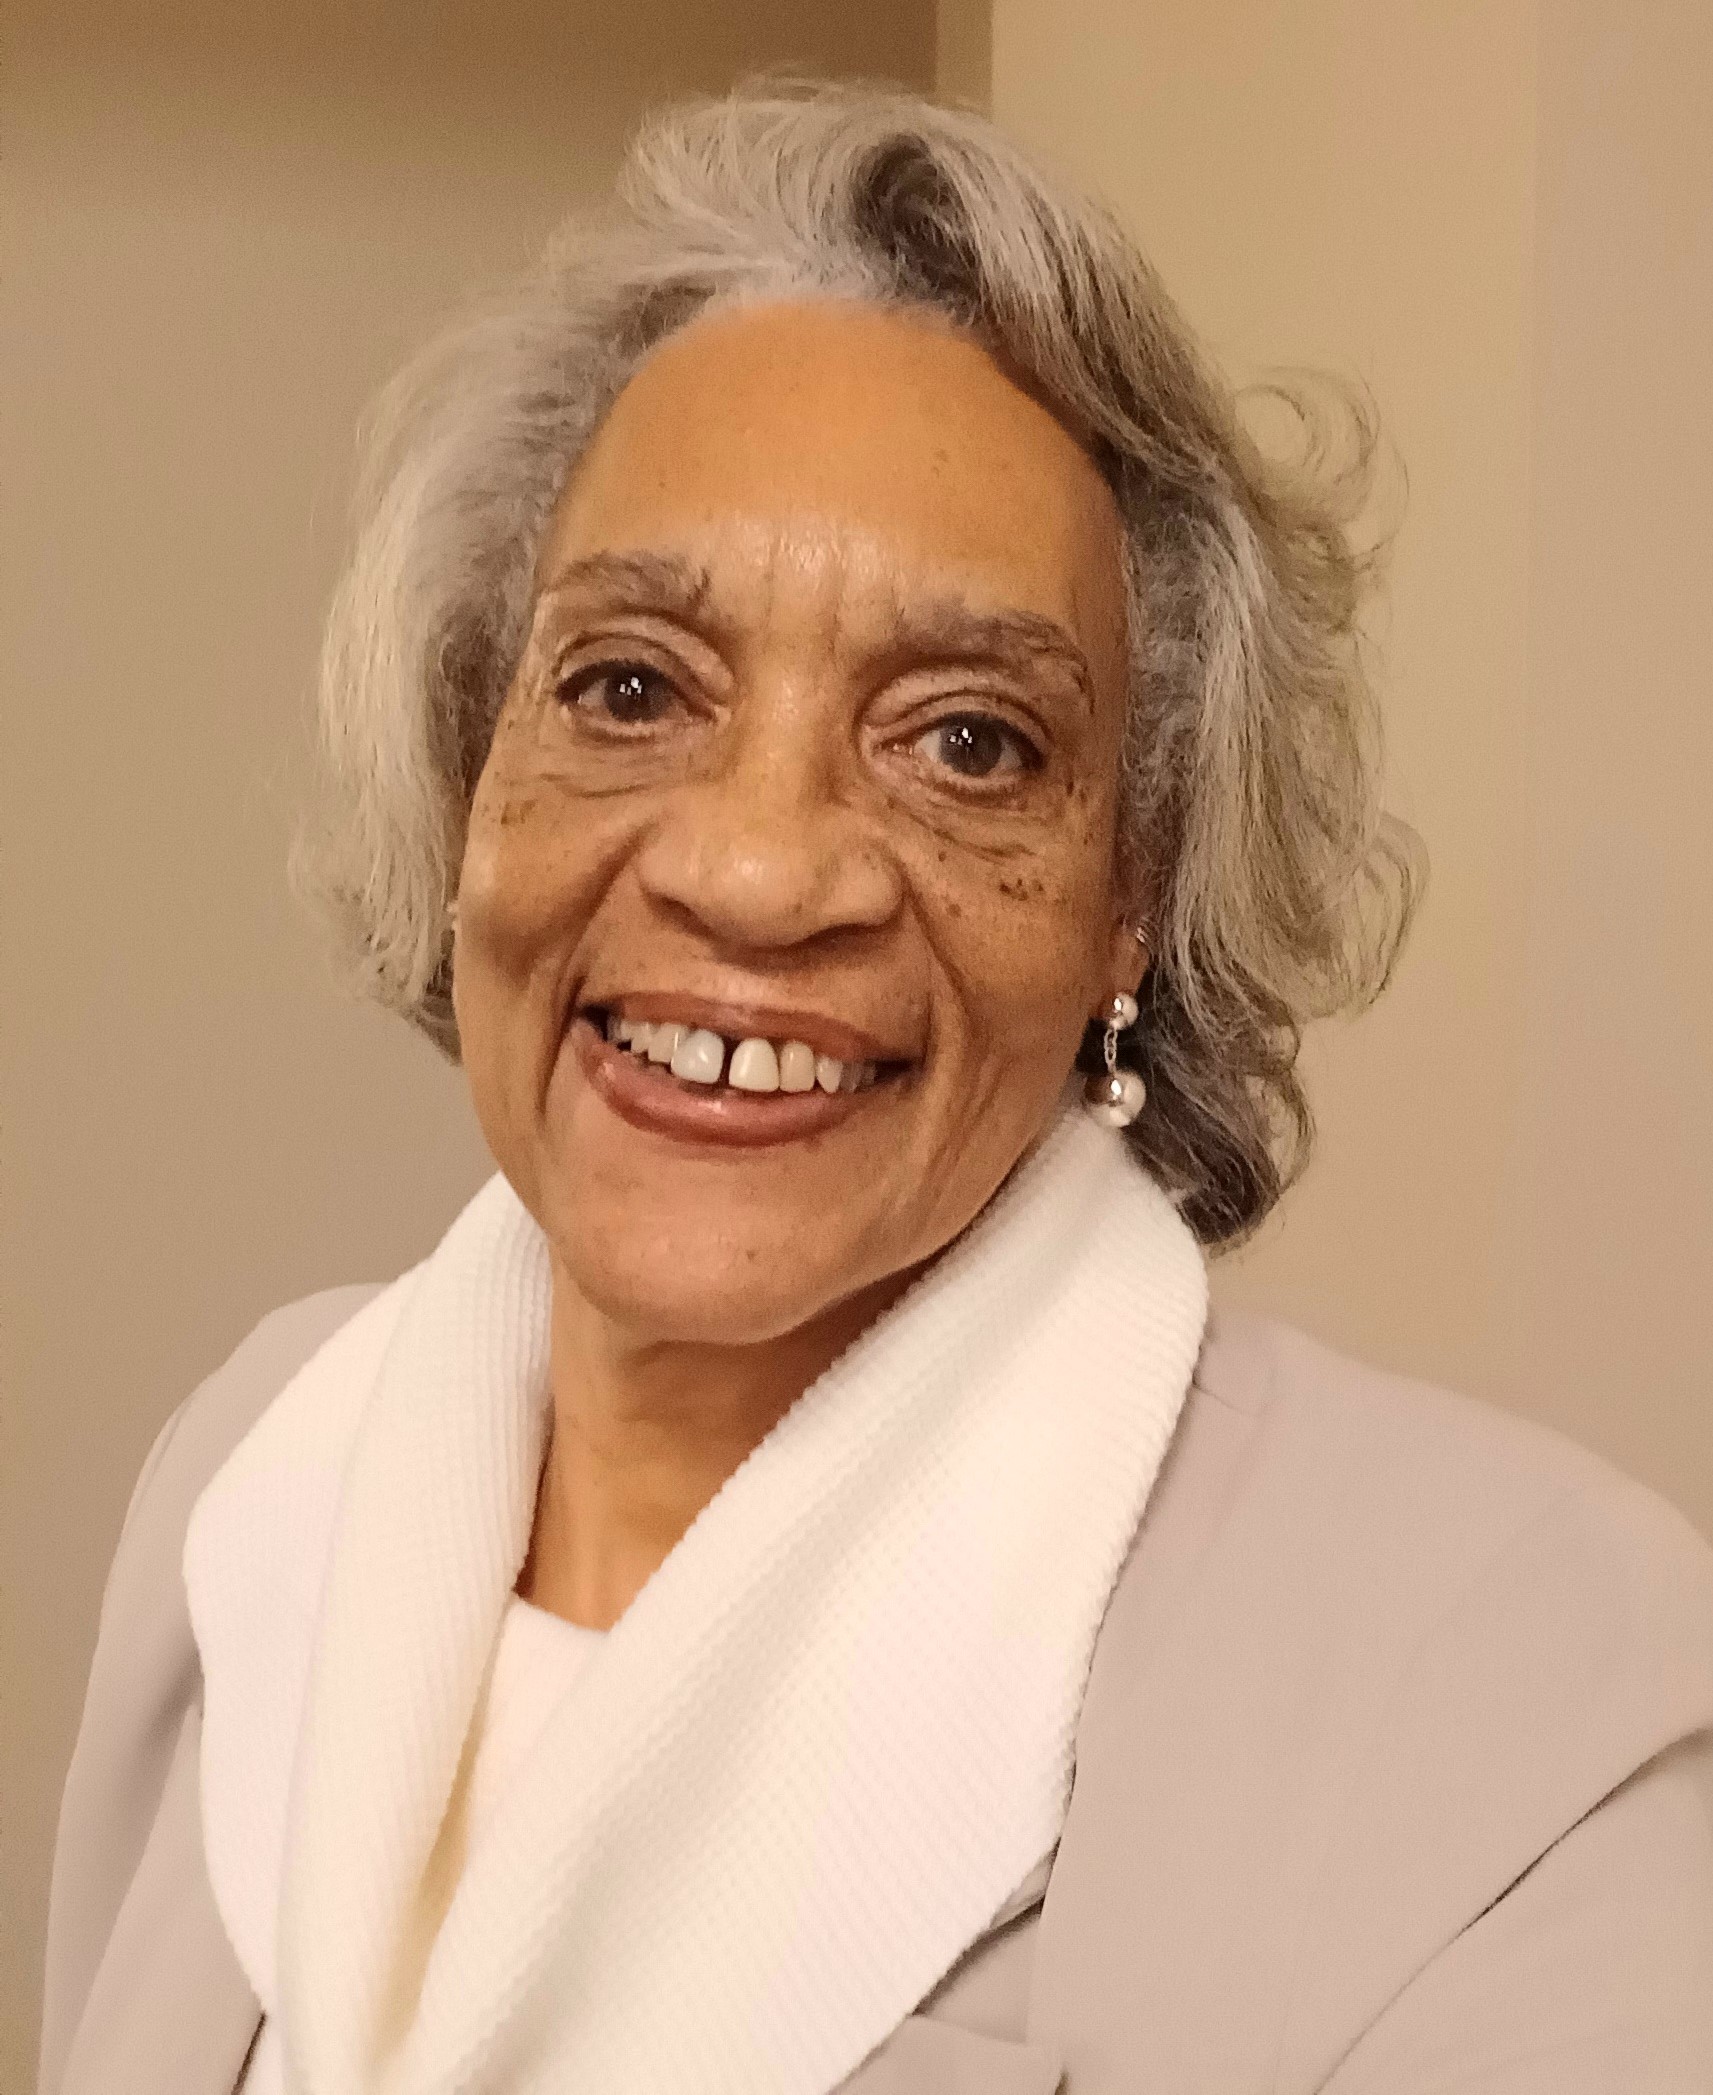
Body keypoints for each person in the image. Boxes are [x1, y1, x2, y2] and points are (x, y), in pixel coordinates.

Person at [40, 84, 1713, 2095]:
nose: (753, 867)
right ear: (474, 768)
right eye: (630, 686)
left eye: (970, 743)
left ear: (1132, 902)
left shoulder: (1514, 1702)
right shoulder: (256, 1468)